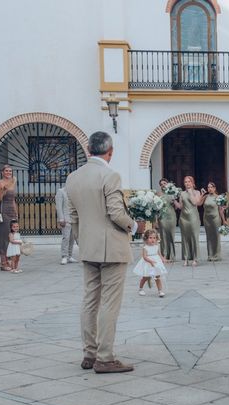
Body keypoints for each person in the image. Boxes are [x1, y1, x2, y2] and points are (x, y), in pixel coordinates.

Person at [65, 131, 136, 374]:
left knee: (89, 300)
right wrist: (134, 225)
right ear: (110, 151)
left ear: (88, 150)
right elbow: (116, 213)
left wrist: (82, 240)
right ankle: (105, 357)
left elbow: (73, 217)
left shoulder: (73, 177)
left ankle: (89, 353)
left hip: (88, 247)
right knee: (109, 303)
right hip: (112, 248)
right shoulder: (110, 175)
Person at [0, 164, 18, 271]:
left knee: (11, 236)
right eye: (6, 171)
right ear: (2, 172)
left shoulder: (12, 183)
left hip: (11, 211)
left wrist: (16, 213)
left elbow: (12, 200)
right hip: (2, 211)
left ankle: (8, 260)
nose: (8, 173)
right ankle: (3, 263)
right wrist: (3, 190)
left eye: (10, 171)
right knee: (4, 237)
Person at [174, 175, 201, 266]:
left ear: (192, 183)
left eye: (189, 181)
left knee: (194, 237)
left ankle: (195, 258)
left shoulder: (197, 192)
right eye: (185, 182)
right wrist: (174, 200)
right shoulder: (182, 193)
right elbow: (181, 206)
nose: (187, 183)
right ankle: (186, 258)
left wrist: (190, 193)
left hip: (193, 217)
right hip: (184, 218)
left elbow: (195, 203)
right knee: (184, 238)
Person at [133, 229, 167, 297]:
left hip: (156, 263)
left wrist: (163, 259)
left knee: (157, 277)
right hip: (148, 263)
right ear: (146, 238)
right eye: (150, 238)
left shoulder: (156, 246)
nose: (152, 240)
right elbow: (144, 257)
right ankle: (141, 289)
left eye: (154, 238)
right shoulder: (145, 248)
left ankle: (160, 291)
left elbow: (159, 254)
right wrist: (150, 261)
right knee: (145, 277)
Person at [55, 184, 77, 265]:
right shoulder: (61, 191)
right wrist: (61, 219)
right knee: (66, 237)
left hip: (73, 219)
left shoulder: (74, 192)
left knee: (72, 238)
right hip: (65, 219)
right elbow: (59, 207)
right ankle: (64, 256)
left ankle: (70, 256)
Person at [157, 178, 177, 262]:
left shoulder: (172, 193)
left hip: (171, 216)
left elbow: (176, 207)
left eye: (164, 183)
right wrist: (155, 220)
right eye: (161, 184)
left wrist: (174, 202)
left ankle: (172, 255)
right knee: (163, 236)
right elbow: (156, 208)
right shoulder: (158, 194)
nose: (163, 185)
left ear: (167, 184)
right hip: (162, 217)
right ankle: (164, 255)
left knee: (171, 235)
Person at [201, 182, 222, 261]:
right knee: (209, 236)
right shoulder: (206, 197)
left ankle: (217, 255)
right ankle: (210, 255)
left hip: (215, 218)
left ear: (214, 188)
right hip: (207, 218)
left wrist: (224, 220)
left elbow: (220, 209)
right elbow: (198, 203)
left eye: (211, 187)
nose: (209, 189)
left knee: (216, 236)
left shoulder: (218, 197)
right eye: (208, 187)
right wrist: (202, 194)